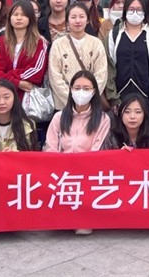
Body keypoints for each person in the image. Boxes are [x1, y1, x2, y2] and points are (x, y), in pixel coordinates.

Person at [44, 70, 110, 235]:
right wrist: (60, 166)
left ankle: (83, 218)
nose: (81, 92)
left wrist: (80, 167)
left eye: (86, 88)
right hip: (61, 172)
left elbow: (97, 149)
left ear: (94, 92)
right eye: (77, 88)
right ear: (71, 90)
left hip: (88, 172)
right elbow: (51, 147)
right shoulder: (59, 117)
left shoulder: (102, 119)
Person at [105, 0, 149, 112]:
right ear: (125, 10)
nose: (135, 13)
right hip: (120, 94)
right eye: (131, 9)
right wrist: (112, 96)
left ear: (145, 11)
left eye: (139, 9)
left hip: (146, 94)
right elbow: (109, 66)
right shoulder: (113, 35)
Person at [0, 0, 49, 103]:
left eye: (23, 15)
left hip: (27, 100)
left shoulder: (40, 43)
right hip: (2, 100)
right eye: (15, 14)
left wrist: (6, 75)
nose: (19, 18)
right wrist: (17, 82)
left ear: (30, 18)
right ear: (9, 18)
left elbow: (36, 72)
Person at [48, 3, 108, 111]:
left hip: (90, 104)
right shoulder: (58, 44)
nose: (77, 21)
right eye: (73, 17)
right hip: (64, 105)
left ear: (87, 20)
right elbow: (55, 76)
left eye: (81, 16)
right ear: (67, 21)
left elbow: (101, 74)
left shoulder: (96, 43)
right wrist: (72, 99)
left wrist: (87, 97)